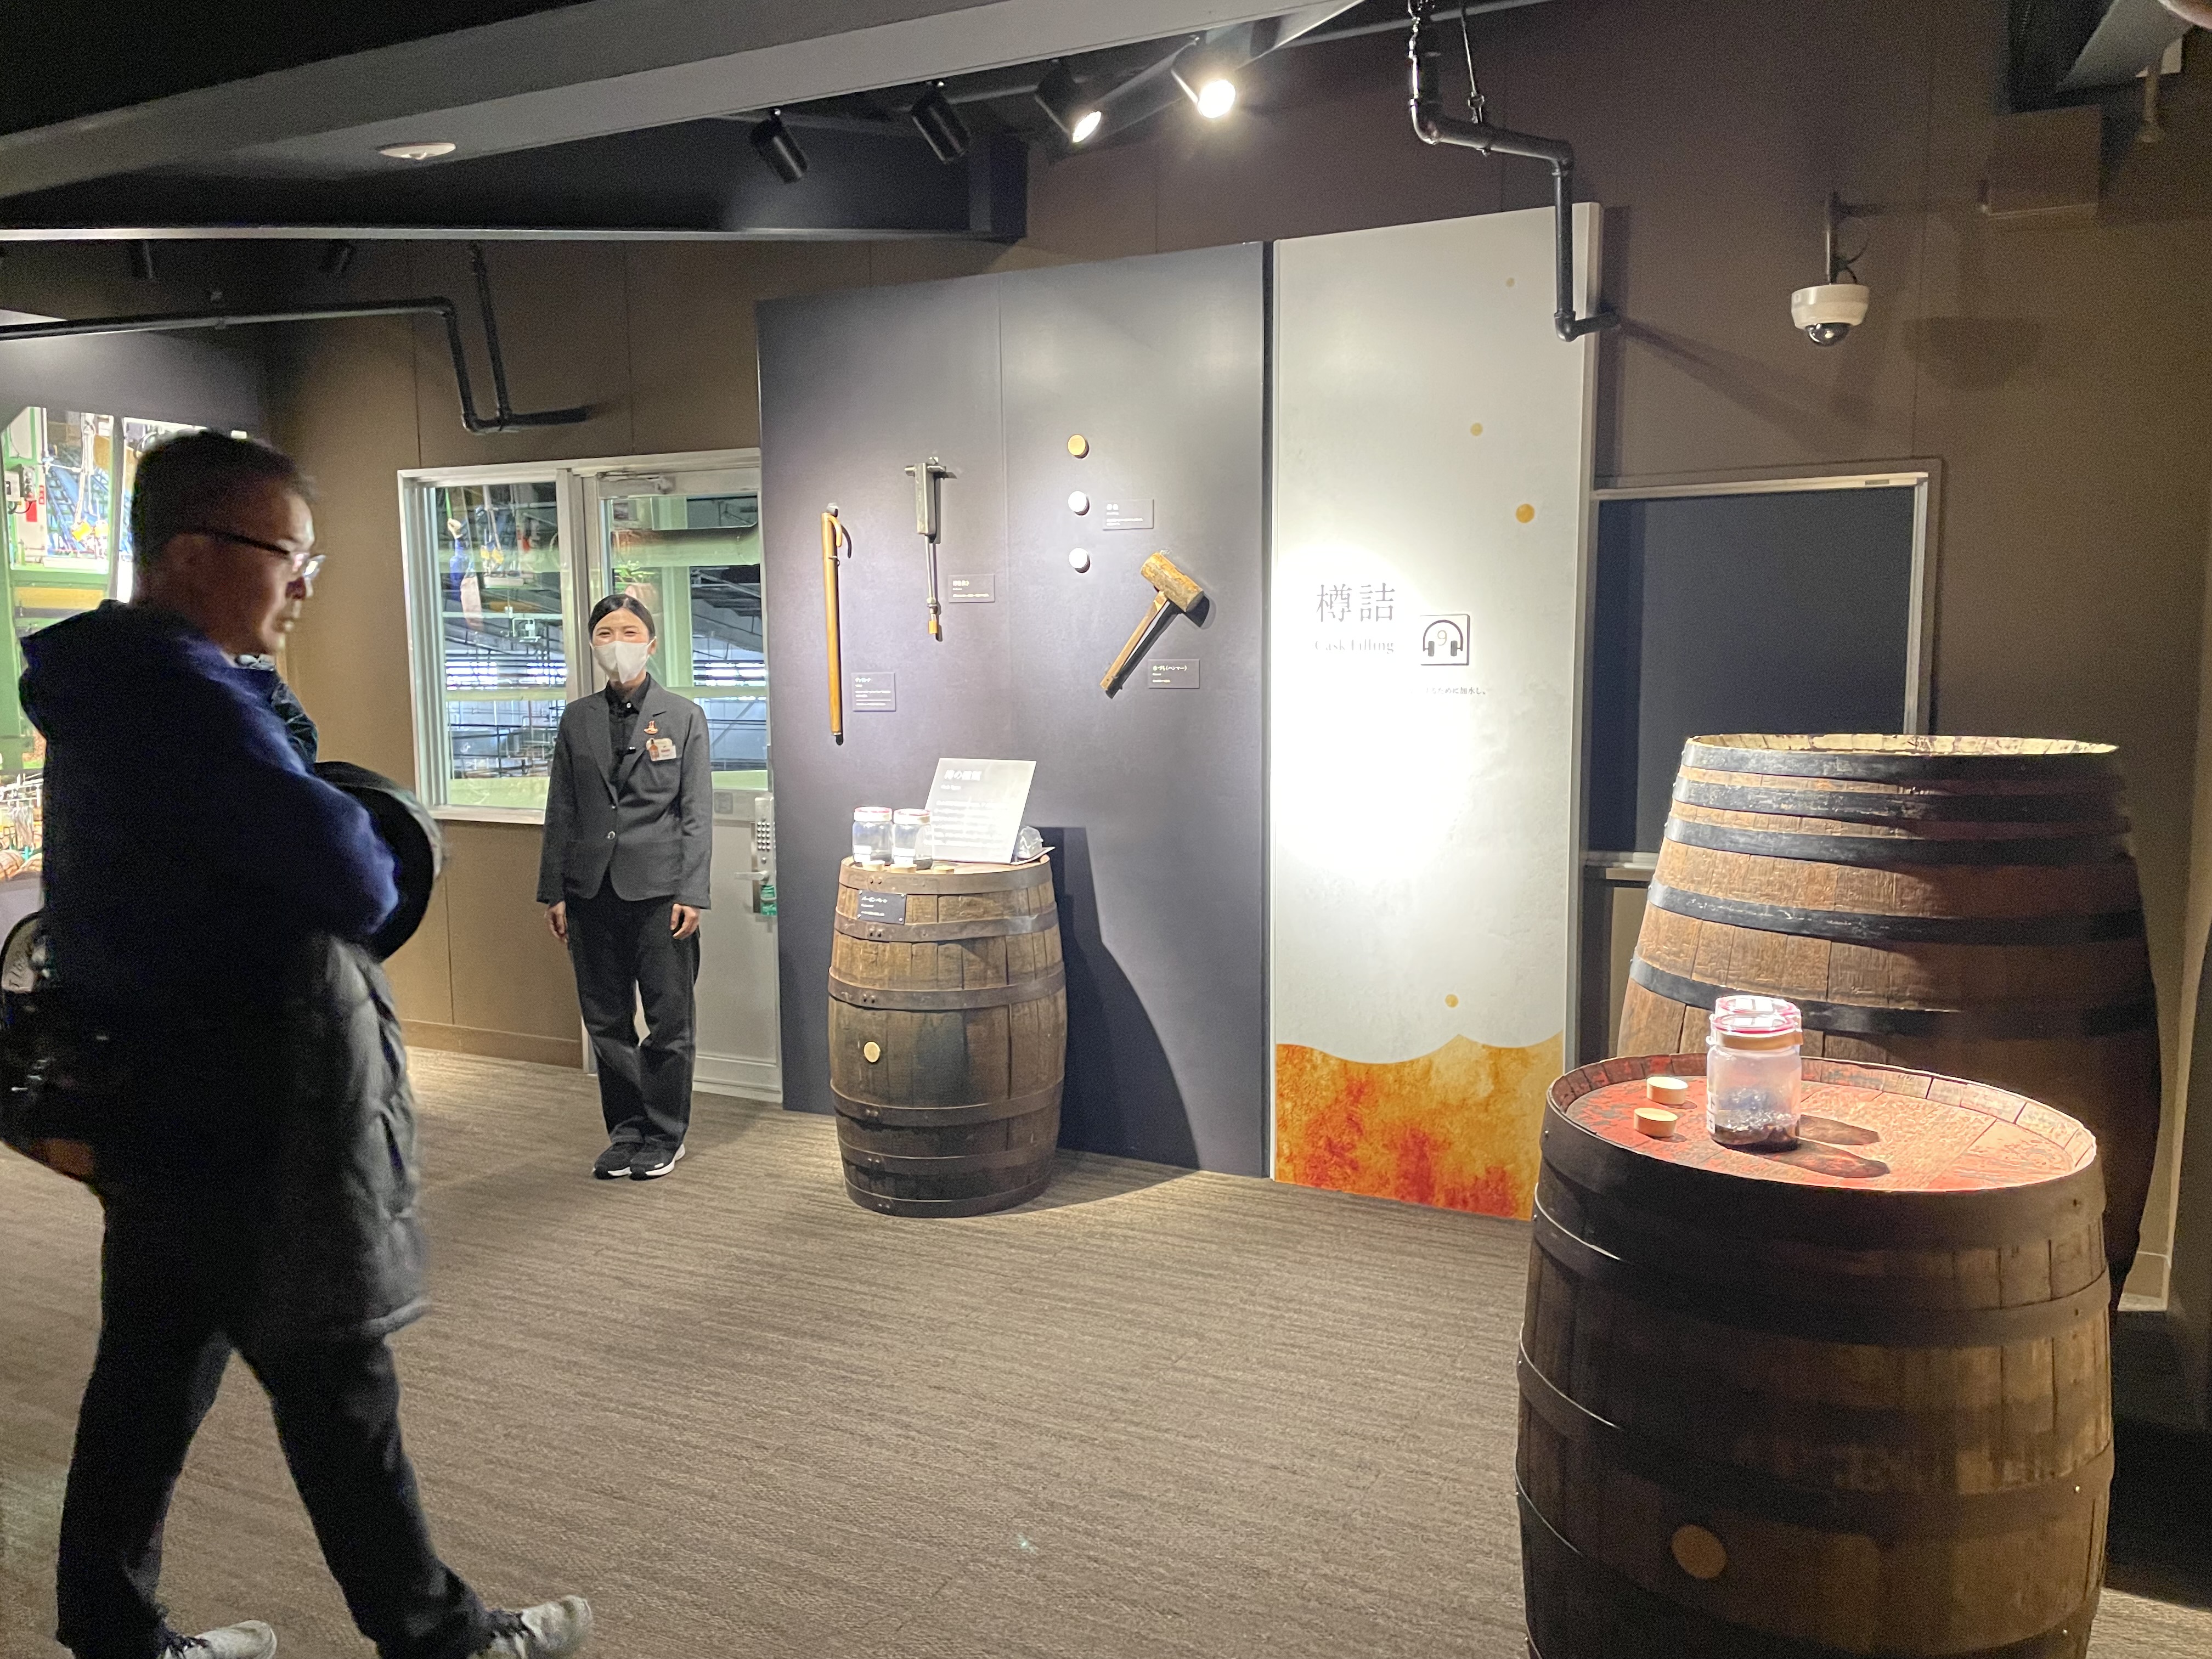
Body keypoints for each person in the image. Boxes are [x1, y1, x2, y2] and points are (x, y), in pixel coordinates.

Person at [19, 430, 591, 1659]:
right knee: (335, 1378)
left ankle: (112, 1631)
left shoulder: (115, 683)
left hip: (159, 1103)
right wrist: (342, 811)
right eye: (288, 555)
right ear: (191, 553)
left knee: (150, 1373)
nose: (305, 584)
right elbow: (357, 877)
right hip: (246, 1112)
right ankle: (445, 1640)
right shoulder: (183, 698)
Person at [538, 594, 711, 1182]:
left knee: (669, 1023)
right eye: (606, 633)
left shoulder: (683, 716)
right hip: (589, 891)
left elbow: (696, 814)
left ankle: (665, 1133)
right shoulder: (576, 718)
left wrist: (693, 892)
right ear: (593, 645)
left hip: (661, 893)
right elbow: (561, 808)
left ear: (651, 643)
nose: (618, 643)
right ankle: (627, 1131)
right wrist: (554, 890)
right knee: (606, 1021)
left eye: (630, 632)